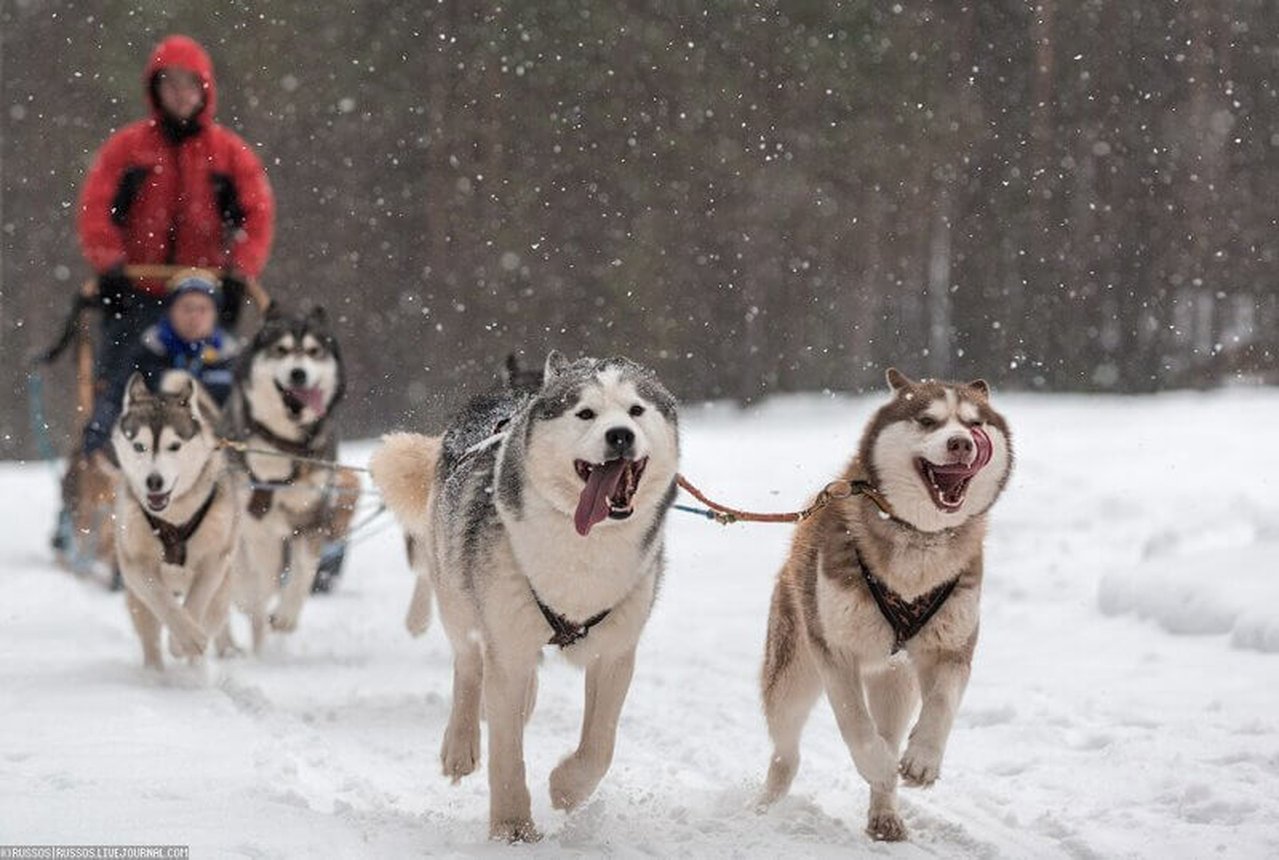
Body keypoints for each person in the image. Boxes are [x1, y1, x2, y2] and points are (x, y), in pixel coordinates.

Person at [54, 34, 274, 562]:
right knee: (119, 383)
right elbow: (96, 209)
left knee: (227, 386)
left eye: (189, 85)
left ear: (205, 91)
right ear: (155, 90)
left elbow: (256, 215)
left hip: (202, 293)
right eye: (169, 84)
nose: (180, 94)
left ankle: (251, 486)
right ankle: (94, 484)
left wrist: (240, 273)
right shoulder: (128, 149)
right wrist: (109, 266)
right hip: (136, 293)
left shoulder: (228, 154)